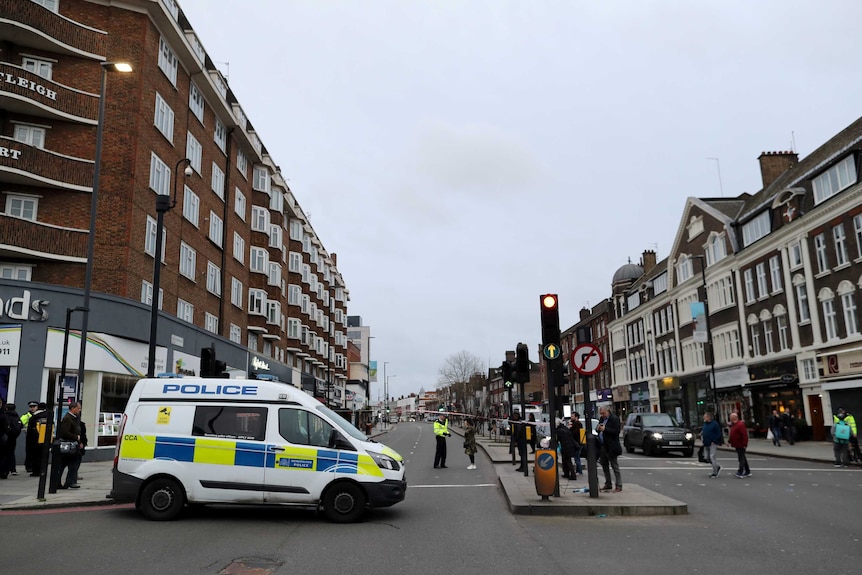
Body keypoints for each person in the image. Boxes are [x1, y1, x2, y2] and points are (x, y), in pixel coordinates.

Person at [56, 401, 84, 489]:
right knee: (72, 465)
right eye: (78, 408)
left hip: (73, 445)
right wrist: (76, 437)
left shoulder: (74, 418)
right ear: (73, 408)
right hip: (69, 446)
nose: (79, 410)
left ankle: (64, 482)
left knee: (66, 465)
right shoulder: (68, 419)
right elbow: (64, 433)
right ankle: (68, 482)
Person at [597, 405, 622, 492]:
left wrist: (605, 429)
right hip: (603, 445)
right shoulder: (602, 419)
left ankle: (618, 485)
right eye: (601, 413)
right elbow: (599, 430)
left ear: (608, 411)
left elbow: (616, 431)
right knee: (604, 465)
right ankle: (608, 483)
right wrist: (598, 429)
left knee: (614, 466)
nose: (602, 415)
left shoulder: (614, 419)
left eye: (603, 413)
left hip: (611, 446)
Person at [26, 402, 49, 477]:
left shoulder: (34, 417)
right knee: (43, 456)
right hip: (45, 439)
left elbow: (30, 431)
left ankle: (36, 471)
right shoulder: (48, 416)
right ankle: (43, 470)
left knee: (35, 456)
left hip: (35, 440)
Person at [728, 412, 750, 478]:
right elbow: (732, 434)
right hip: (737, 444)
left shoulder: (740, 425)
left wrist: (745, 443)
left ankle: (740, 471)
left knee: (741, 458)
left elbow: (744, 435)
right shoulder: (734, 425)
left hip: (740, 444)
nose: (730, 418)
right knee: (742, 457)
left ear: (733, 418)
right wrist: (729, 441)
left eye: (730, 417)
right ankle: (747, 471)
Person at [701, 412, 722, 478]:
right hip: (706, 443)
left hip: (712, 443)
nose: (703, 417)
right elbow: (704, 431)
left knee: (712, 457)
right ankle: (717, 466)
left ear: (709, 417)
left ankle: (715, 472)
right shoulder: (705, 424)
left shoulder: (714, 424)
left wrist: (715, 441)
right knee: (706, 457)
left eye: (705, 416)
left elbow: (718, 433)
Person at [568, 412, 584, 477]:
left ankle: (579, 471)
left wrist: (570, 428)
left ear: (576, 417)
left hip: (578, 443)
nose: (571, 418)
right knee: (576, 457)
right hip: (577, 442)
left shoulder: (577, 424)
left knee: (577, 457)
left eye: (572, 416)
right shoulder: (575, 424)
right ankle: (578, 470)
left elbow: (575, 432)